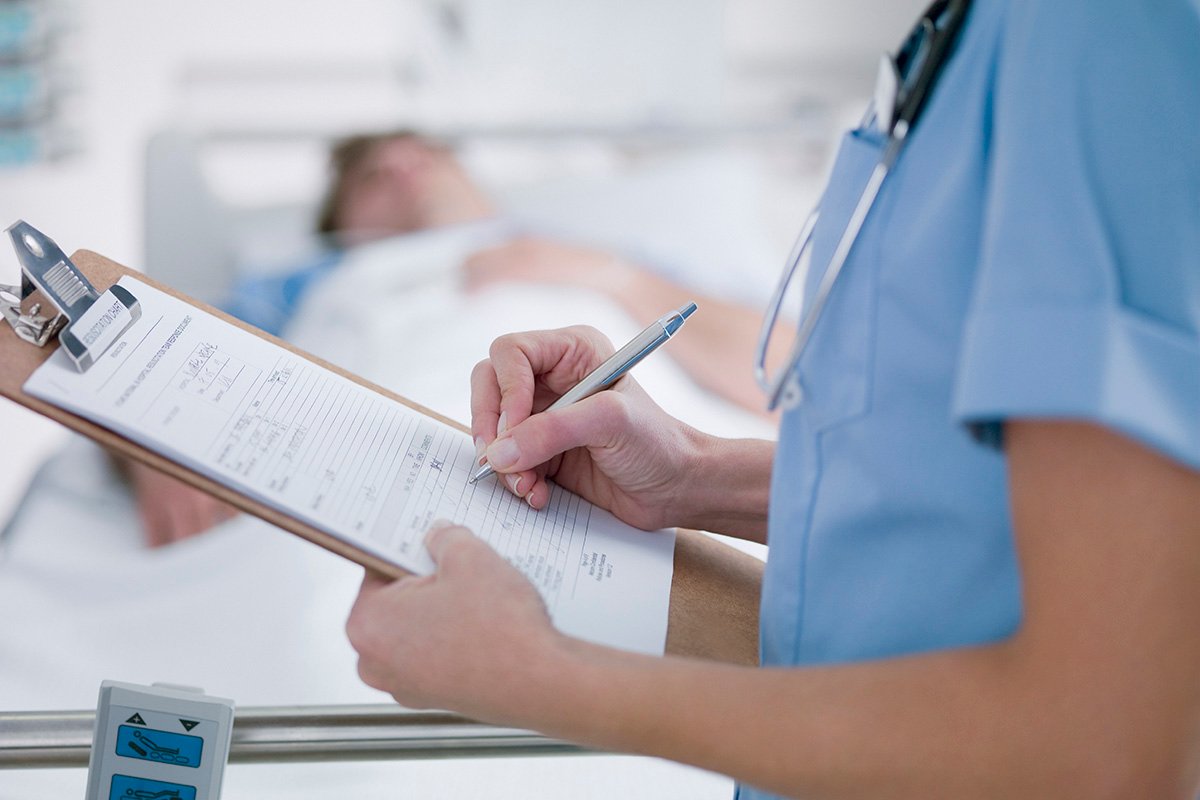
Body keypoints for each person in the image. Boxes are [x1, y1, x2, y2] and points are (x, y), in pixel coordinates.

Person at [344, 1, 1200, 798]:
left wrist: (540, 677)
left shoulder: (1100, 34)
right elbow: (969, 508)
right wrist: (697, 475)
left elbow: (1103, 744)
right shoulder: (990, 40)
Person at [130, 130, 784, 547]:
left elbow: (786, 371)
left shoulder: (598, 253)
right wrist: (153, 437)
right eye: (373, 178)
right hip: (356, 478)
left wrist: (612, 275)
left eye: (424, 155)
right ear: (342, 223)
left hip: (635, 480)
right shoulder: (310, 281)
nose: (401, 168)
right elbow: (160, 351)